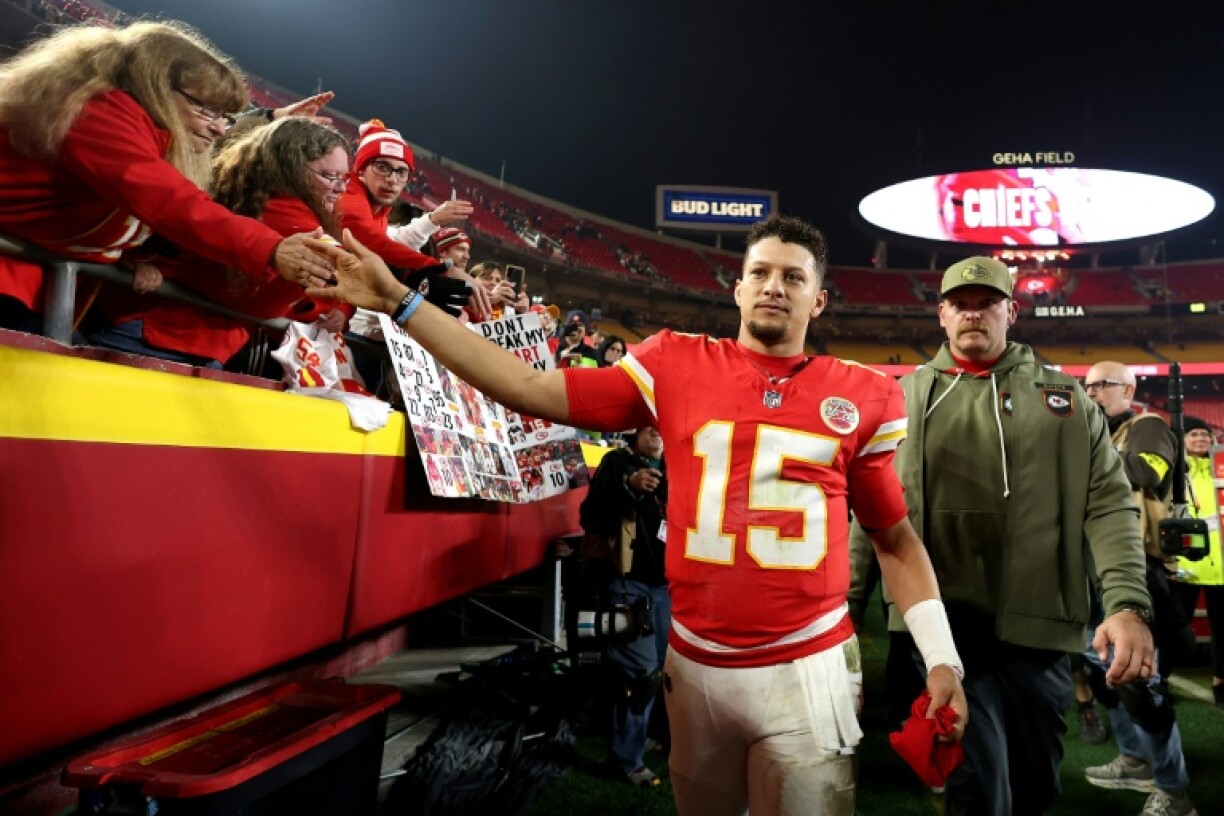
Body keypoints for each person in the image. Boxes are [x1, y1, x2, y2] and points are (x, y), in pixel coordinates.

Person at [305, 214, 968, 816]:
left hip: (809, 664)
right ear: (737, 289)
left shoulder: (865, 395)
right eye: (760, 273)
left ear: (817, 299)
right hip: (697, 662)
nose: (773, 287)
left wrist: (942, 660)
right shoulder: (676, 363)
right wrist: (401, 300)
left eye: (793, 277)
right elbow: (528, 387)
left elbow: (896, 542)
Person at [853, 257, 1154, 816]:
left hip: (1039, 635)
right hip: (940, 633)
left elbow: (1109, 507)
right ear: (941, 314)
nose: (972, 314)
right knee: (978, 785)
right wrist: (847, 618)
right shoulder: (900, 400)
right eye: (959, 303)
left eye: (985, 302)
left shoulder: (1067, 402)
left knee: (1036, 784)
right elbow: (867, 518)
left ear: (1010, 312)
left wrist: (1128, 603)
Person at [0, 21, 334, 334]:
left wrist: (126, 257)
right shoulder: (99, 109)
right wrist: (272, 248)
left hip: (39, 286)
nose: (219, 128)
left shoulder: (149, 129)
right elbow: (168, 201)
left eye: (223, 116)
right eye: (207, 110)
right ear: (156, 86)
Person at [90, 117, 352, 368]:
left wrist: (321, 303)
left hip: (188, 341)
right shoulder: (283, 215)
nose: (340, 188)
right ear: (290, 169)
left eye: (344, 178)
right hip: (151, 334)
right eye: (330, 176)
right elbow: (257, 302)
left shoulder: (246, 198)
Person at [1080, 360, 1198, 816]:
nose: (1092, 393)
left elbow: (1145, 473)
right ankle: (1134, 761)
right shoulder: (1105, 435)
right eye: (1087, 386)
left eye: (1103, 385)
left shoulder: (1147, 427)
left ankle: (1174, 789)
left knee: (1138, 679)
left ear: (1128, 389)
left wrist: (1083, 453)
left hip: (1138, 568)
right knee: (1103, 671)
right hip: (1098, 567)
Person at [578, 426, 670, 787]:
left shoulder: (679, 464)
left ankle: (655, 736)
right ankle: (626, 762)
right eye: (649, 425)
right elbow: (591, 517)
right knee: (641, 675)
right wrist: (628, 487)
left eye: (663, 423)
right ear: (636, 431)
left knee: (669, 672)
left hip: (670, 586)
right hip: (628, 585)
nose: (658, 431)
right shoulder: (616, 461)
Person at [337, 119, 486, 318]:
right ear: (361, 168)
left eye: (401, 172)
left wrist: (342, 311)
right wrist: (437, 270)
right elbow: (368, 241)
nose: (392, 179)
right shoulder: (348, 191)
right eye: (382, 167)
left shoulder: (380, 209)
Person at [1173, 416, 1223, 709]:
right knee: (1173, 629)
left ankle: (1220, 683)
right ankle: (1161, 678)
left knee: (1223, 631)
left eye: (1205, 434)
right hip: (1184, 567)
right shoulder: (1175, 470)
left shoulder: (1221, 468)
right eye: (1194, 434)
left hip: (1221, 568)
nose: (1201, 439)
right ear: (1183, 440)